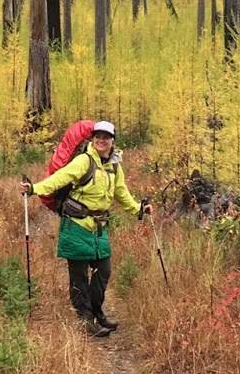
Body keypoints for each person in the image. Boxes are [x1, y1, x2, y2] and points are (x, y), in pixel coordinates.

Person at [22, 121, 149, 337]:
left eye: (106, 137)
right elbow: (59, 179)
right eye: (98, 136)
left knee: (103, 271)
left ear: (113, 141)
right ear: (92, 138)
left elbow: (121, 193)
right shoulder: (84, 161)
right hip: (76, 225)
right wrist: (34, 189)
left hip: (99, 228)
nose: (101, 140)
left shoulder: (114, 166)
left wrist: (138, 209)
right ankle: (86, 320)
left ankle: (97, 314)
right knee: (79, 277)